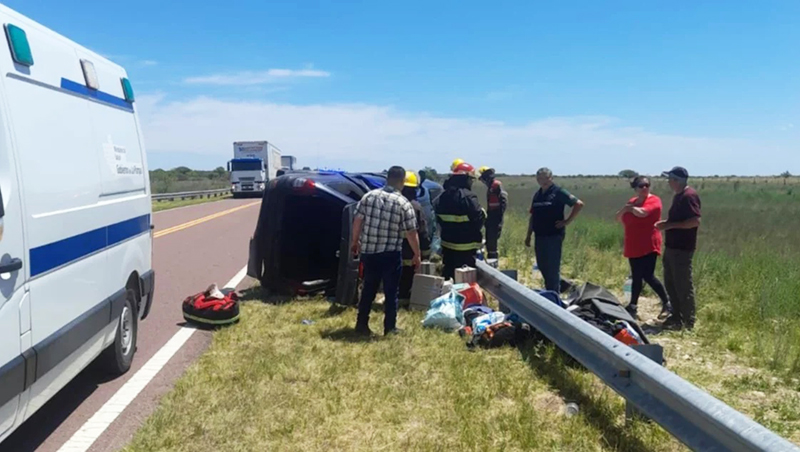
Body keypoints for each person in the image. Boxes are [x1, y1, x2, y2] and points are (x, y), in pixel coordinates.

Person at [351, 166, 421, 336]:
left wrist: (355, 241)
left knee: (368, 288)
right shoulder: (403, 203)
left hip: (369, 251)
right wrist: (417, 255)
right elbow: (412, 233)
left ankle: (361, 324)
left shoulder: (369, 196)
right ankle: (390, 327)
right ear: (402, 181)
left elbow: (358, 220)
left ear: (387, 178)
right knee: (391, 291)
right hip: (390, 254)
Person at [616, 176, 672, 319]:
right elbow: (618, 218)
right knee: (636, 276)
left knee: (648, 275)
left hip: (649, 243)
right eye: (641, 186)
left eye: (647, 185)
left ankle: (667, 303)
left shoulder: (654, 200)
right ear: (635, 189)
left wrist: (631, 209)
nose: (645, 188)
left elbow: (643, 213)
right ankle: (633, 306)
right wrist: (625, 208)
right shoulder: (632, 202)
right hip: (633, 244)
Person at [524, 168, 584, 292]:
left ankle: (554, 296)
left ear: (551, 178)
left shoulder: (558, 192)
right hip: (539, 235)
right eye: (540, 178)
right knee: (542, 266)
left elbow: (578, 204)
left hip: (553, 235)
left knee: (552, 268)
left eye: (546, 178)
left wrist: (566, 221)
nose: (543, 181)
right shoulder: (538, 194)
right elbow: (533, 215)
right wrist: (529, 234)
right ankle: (561, 286)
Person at [656, 167, 702, 330]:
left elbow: (694, 221)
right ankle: (676, 316)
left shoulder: (689, 196)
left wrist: (669, 225)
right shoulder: (680, 196)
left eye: (670, 179)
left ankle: (688, 321)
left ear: (677, 180)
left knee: (682, 284)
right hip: (672, 246)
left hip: (682, 248)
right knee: (671, 282)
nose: (668, 182)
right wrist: (667, 224)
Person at [435, 162, 486, 279]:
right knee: (465, 280)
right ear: (465, 179)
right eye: (471, 180)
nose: (471, 182)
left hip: (447, 246)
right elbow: (479, 217)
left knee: (449, 276)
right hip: (466, 247)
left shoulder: (443, 196)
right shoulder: (469, 197)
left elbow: (438, 218)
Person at [399, 171, 431, 303]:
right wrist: (425, 252)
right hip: (410, 250)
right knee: (407, 276)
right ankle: (404, 299)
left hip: (392, 250)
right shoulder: (415, 207)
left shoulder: (391, 203)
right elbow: (422, 232)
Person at [478, 166, 508, 260]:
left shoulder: (496, 185)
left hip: (496, 217)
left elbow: (504, 200)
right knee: (489, 240)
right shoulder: (491, 186)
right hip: (491, 217)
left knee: (492, 241)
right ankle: (491, 257)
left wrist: (498, 216)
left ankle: (493, 260)